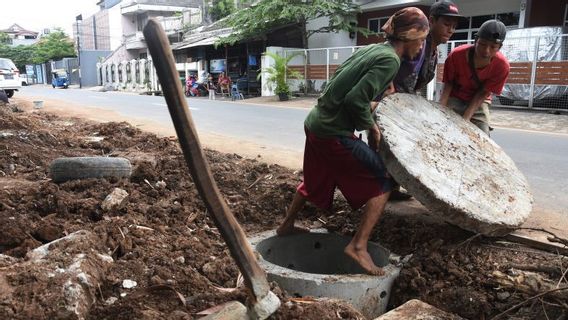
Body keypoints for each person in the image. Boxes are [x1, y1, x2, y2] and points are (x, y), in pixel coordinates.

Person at [276, 7, 429, 275]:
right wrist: (372, 128)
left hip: (316, 123)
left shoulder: (373, 50)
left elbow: (345, 89)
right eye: (422, 39)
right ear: (410, 37)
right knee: (382, 181)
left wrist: (376, 103)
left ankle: (286, 225)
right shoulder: (390, 60)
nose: (422, 45)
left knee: (314, 179)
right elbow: (354, 100)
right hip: (333, 132)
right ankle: (358, 246)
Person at [372, 0, 463, 201]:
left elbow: (417, 82)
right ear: (432, 21)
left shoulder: (433, 50)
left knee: (399, 147)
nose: (451, 30)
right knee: (383, 147)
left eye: (454, 26)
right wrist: (387, 96)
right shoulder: (417, 42)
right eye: (446, 24)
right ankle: (378, 191)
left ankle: (390, 188)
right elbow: (389, 64)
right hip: (386, 102)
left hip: (403, 104)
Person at [439, 19, 510, 135]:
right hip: (455, 96)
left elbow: (483, 93)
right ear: (476, 40)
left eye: (493, 47)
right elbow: (448, 83)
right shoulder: (456, 55)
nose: (486, 51)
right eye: (482, 44)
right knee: (443, 127)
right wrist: (440, 108)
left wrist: (466, 119)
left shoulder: (502, 66)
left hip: (479, 101)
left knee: (483, 134)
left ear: (500, 47)